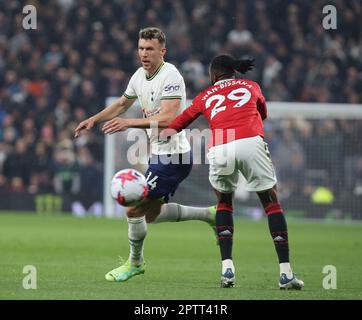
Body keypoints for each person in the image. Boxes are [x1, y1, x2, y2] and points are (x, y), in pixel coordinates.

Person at [74, 27, 216, 282]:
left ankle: (135, 263)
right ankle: (210, 214)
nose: (144, 53)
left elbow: (171, 117)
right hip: (160, 156)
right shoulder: (139, 76)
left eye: (149, 49)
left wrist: (128, 124)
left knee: (133, 210)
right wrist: (93, 119)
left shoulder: (171, 75)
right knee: (151, 214)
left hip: (174, 156)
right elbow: (121, 104)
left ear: (163, 51)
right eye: (141, 48)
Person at [160, 54, 304, 290]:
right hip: (250, 141)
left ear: (214, 74)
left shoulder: (204, 96)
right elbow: (263, 113)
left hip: (220, 145)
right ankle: (285, 273)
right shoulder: (251, 86)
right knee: (271, 203)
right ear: (234, 72)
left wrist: (160, 136)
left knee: (224, 203)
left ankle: (227, 270)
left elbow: (180, 122)